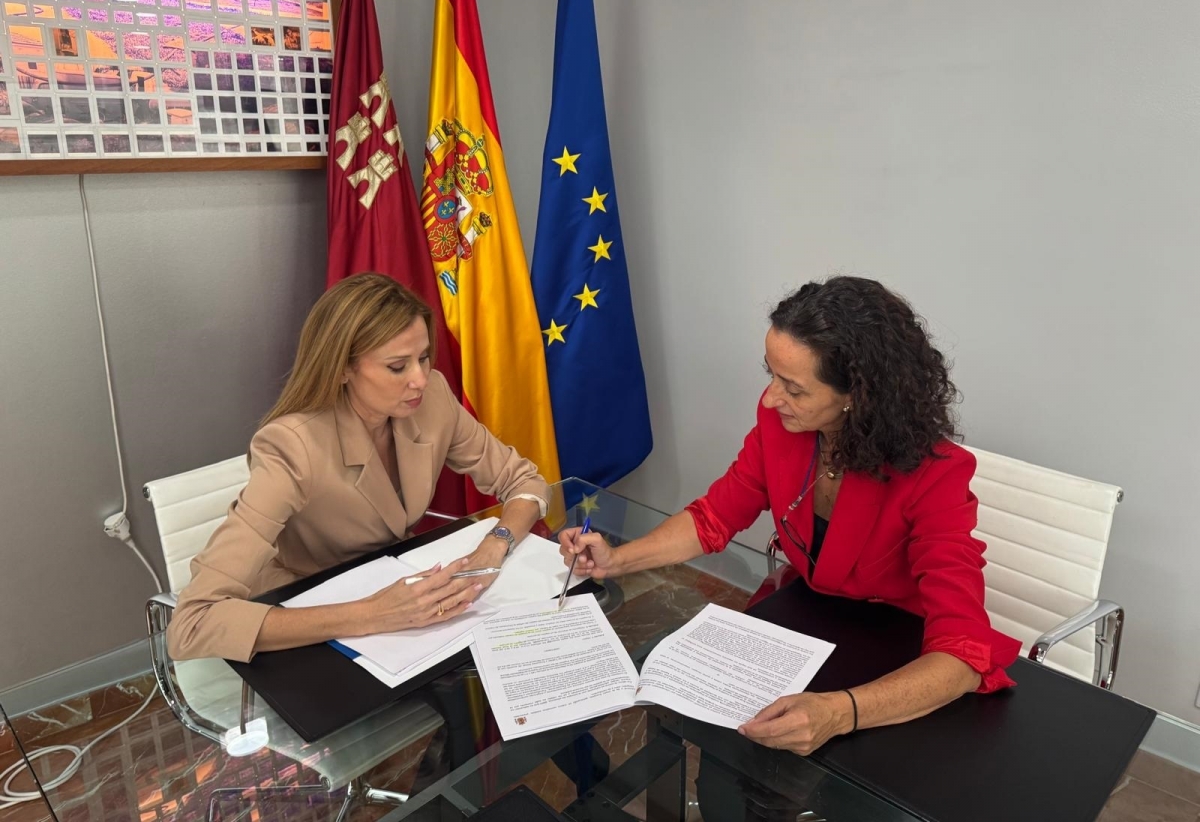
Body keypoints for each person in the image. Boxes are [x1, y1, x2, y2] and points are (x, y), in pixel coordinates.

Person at [559, 276, 1021, 757]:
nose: (770, 398)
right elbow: (714, 517)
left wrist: (841, 712)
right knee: (728, 757)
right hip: (810, 615)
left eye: (794, 388)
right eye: (772, 374)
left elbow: (962, 653)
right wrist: (617, 560)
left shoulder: (935, 474)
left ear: (857, 396)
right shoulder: (783, 429)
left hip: (897, 644)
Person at [168, 273, 550, 662]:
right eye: (398, 366)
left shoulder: (432, 396)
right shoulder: (290, 446)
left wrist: (494, 546)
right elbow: (191, 625)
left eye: (423, 357)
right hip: (311, 611)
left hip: (399, 597)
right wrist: (373, 614)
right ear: (342, 369)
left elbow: (525, 481)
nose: (420, 379)